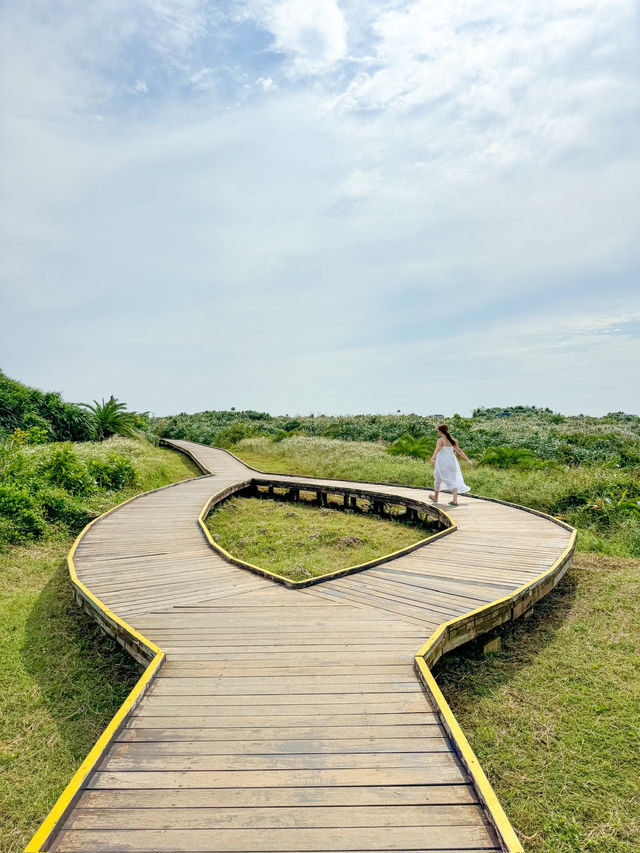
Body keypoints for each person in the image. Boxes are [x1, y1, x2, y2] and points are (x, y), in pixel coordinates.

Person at [429, 424, 472, 506]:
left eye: (438, 431)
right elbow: (459, 451)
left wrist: (433, 458)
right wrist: (467, 460)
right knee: (442, 478)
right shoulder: (452, 440)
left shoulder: (440, 440)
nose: (438, 433)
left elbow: (437, 450)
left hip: (442, 463)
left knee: (444, 479)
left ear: (441, 431)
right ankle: (436, 496)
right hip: (452, 462)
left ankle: (454, 501)